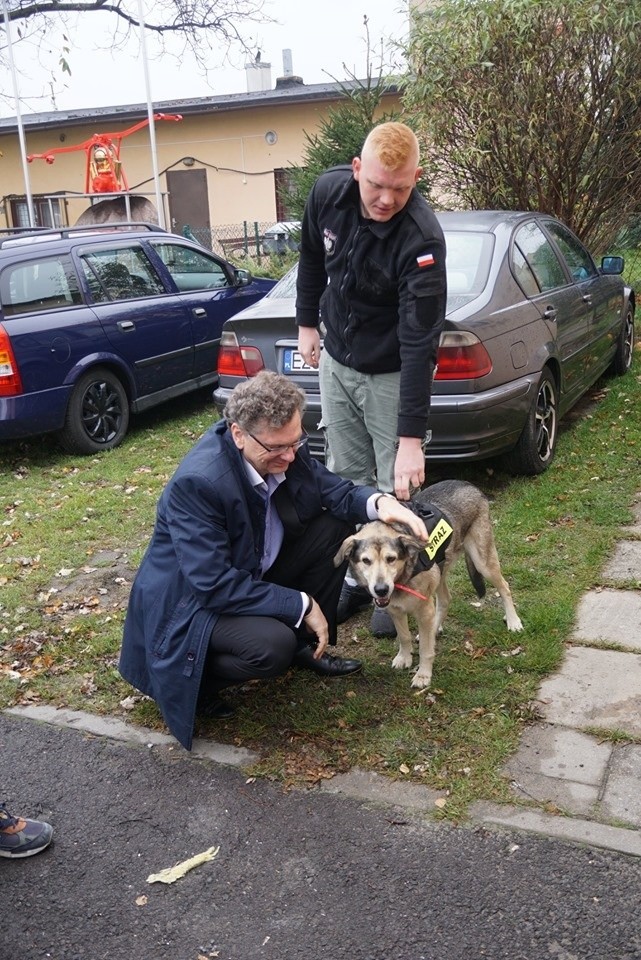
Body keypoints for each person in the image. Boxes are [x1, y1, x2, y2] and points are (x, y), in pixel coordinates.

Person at [119, 371, 427, 752]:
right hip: (190, 606)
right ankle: (198, 681)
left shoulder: (282, 446)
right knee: (272, 647)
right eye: (278, 448)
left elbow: (334, 489)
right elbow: (214, 584)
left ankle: (307, 645)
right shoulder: (198, 484)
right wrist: (301, 604)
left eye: (296, 441)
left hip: (250, 571)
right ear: (237, 434)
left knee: (336, 528)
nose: (291, 455)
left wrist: (384, 504)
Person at [295, 120, 448, 637]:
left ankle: (400, 585)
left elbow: (420, 339)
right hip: (338, 355)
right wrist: (305, 324)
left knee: (395, 483)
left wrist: (410, 440)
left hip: (391, 369)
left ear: (416, 178)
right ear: (357, 170)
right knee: (345, 471)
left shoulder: (421, 238)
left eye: (401, 188)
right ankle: (360, 578)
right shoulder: (327, 193)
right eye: (376, 185)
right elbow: (311, 259)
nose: (386, 199)